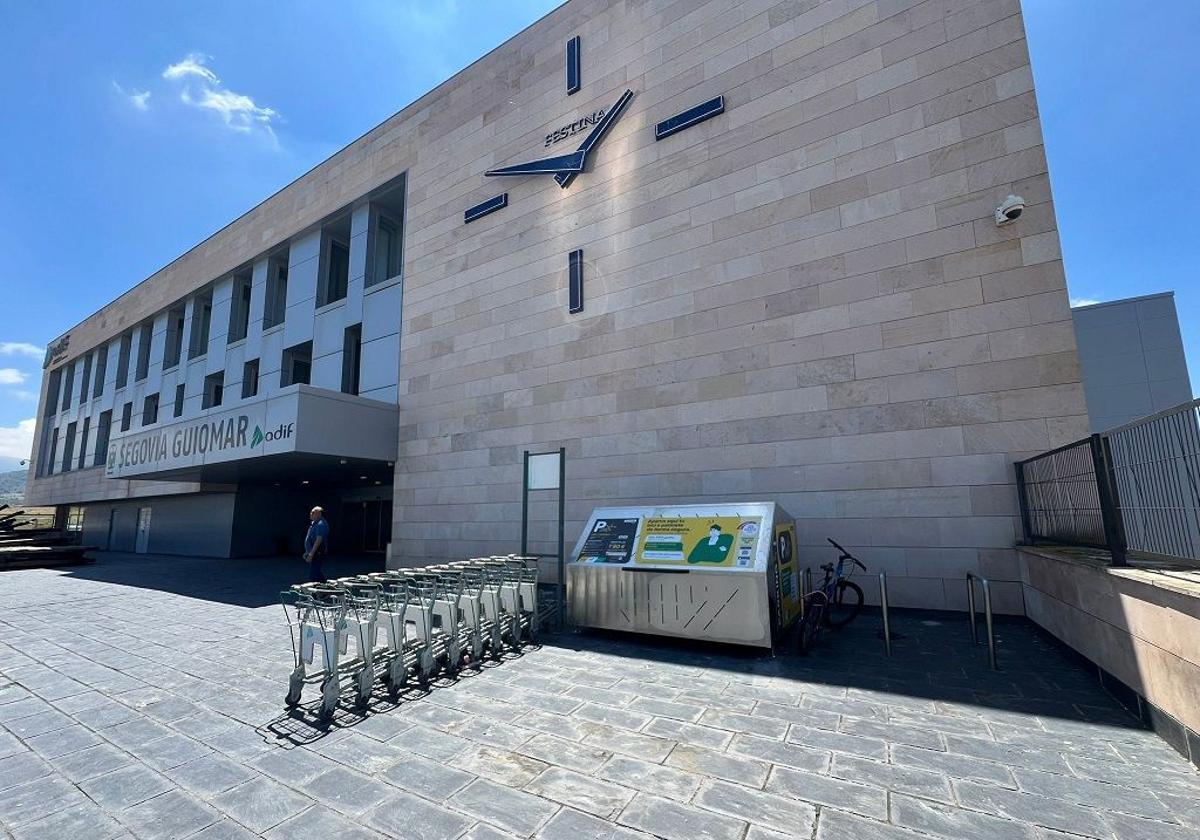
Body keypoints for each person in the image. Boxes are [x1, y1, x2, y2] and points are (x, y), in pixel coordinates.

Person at [303, 506, 330, 582]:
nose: (311, 514)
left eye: (313, 512)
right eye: (311, 512)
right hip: (314, 551)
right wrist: (307, 551)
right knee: (315, 571)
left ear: (319, 514)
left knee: (314, 573)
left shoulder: (321, 524)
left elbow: (318, 540)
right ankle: (324, 585)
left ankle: (323, 587)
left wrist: (311, 554)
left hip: (318, 551)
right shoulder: (314, 523)